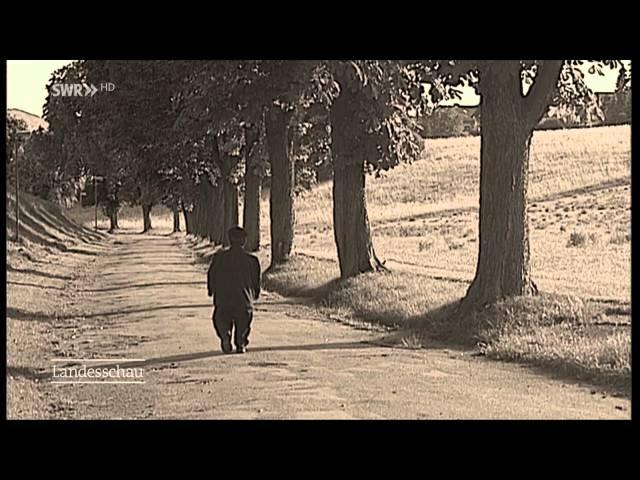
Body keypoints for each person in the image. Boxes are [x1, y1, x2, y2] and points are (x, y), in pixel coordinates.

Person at [207, 227, 261, 354]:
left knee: (221, 319)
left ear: (229, 240)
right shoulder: (252, 261)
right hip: (243, 299)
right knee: (244, 321)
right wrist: (256, 293)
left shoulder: (219, 258)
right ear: (244, 241)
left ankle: (225, 335)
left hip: (223, 299)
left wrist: (211, 290)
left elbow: (211, 275)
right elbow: (256, 280)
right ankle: (241, 342)